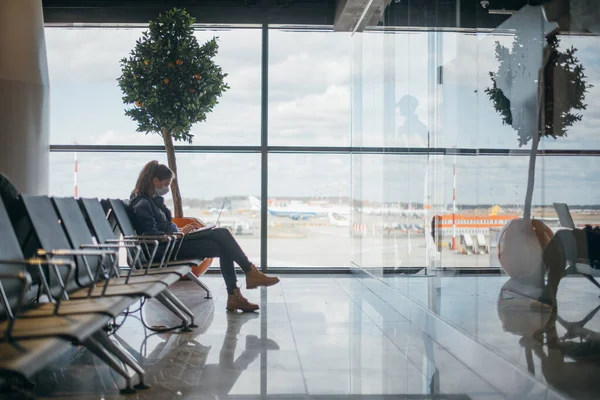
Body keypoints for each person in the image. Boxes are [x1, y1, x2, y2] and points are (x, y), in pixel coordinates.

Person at [129, 161, 279, 313]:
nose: (167, 189)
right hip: (163, 251)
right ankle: (246, 277)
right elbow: (151, 235)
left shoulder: (152, 201)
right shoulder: (142, 204)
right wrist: (179, 233)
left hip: (171, 243)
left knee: (223, 242)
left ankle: (238, 291)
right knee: (222, 234)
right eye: (166, 184)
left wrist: (180, 230)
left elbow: (163, 227)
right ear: (155, 181)